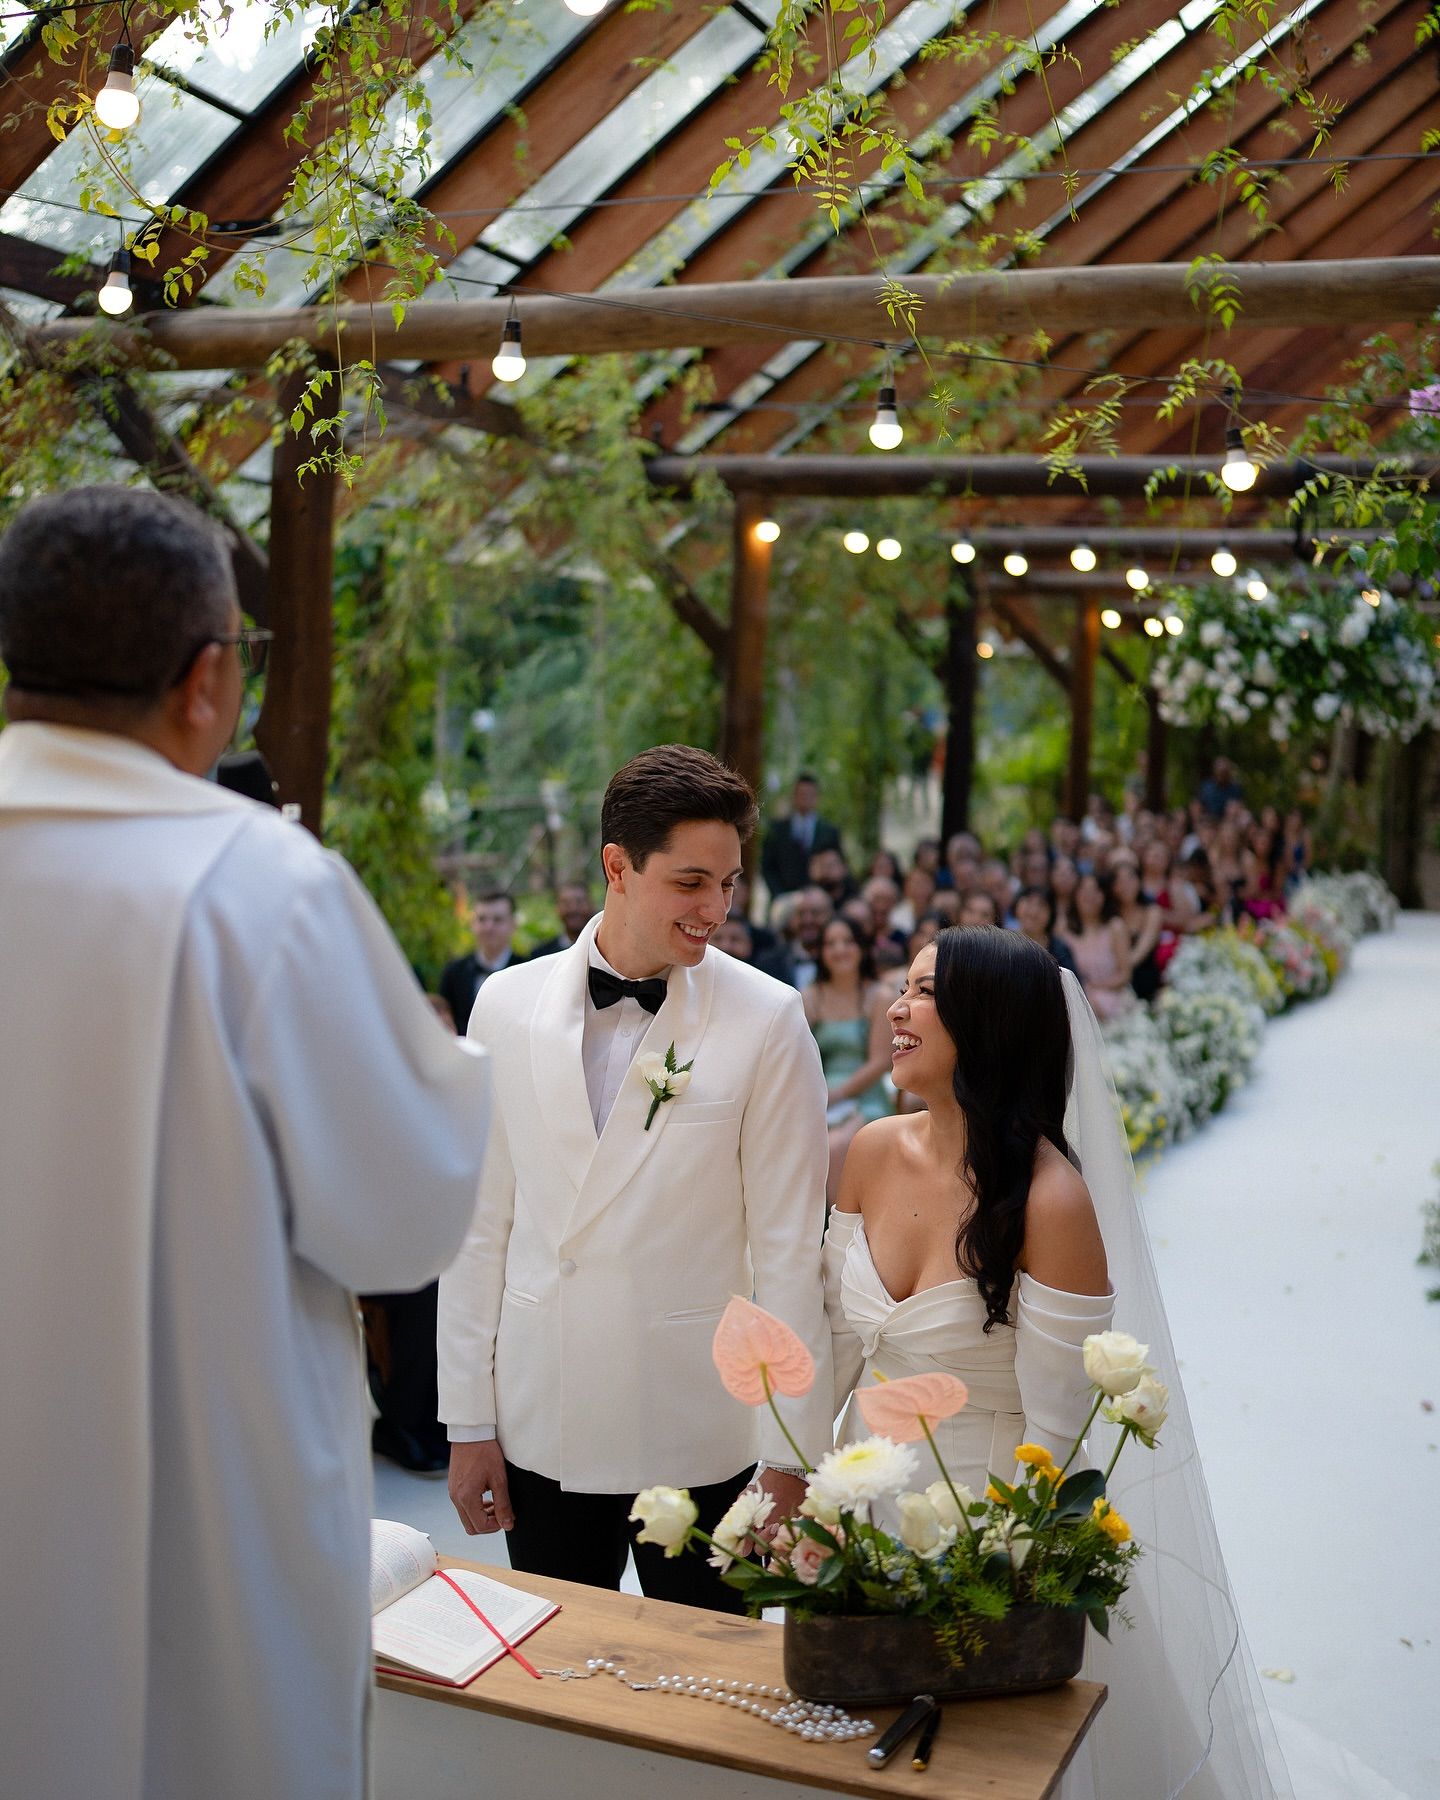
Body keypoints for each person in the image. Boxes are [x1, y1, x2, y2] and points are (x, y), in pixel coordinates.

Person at [0, 486, 491, 1800]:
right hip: (201, 1503)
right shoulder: (260, 889)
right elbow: (403, 1216)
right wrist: (463, 1064)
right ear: (209, 680)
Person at [823, 929, 1292, 1799]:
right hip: (862, 1502)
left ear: (989, 1022)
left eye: (924, 992)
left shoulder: (1051, 1198)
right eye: (901, 986)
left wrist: (1005, 1570)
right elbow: (841, 1348)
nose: (895, 1007)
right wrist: (803, 1495)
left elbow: (1058, 1427)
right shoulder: (869, 1152)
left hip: (992, 1528)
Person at [439, 744, 833, 1611]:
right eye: (692, 883)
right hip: (546, 1419)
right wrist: (467, 1422)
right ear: (618, 866)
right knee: (559, 1691)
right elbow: (478, 1226)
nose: (717, 910)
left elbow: (789, 1254)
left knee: (709, 1703)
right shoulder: (504, 1004)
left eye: (729, 883)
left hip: (701, 1432)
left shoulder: (767, 1019)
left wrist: (790, 1456)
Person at [803, 916, 894, 1204]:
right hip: (817, 1096)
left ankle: (835, 1233)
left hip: (865, 1097)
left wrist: (838, 1095)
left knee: (836, 1146)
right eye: (830, 943)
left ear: (862, 948)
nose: (839, 949)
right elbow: (799, 1057)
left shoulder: (879, 996)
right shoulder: (810, 997)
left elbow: (881, 1061)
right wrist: (818, 1097)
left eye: (847, 941)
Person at [439, 890, 527, 1032]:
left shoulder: (527, 971)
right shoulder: (454, 972)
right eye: (481, 919)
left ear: (513, 925)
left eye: (497, 920)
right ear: (473, 924)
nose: (488, 927)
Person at [1058, 871, 1135, 1021]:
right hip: (1077, 1003)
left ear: (1104, 896)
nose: (1089, 896)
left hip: (1115, 999)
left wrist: (1096, 988)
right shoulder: (1063, 929)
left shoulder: (1115, 927)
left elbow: (1125, 974)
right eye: (1084, 890)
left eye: (1095, 890)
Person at [760, 771, 842, 898]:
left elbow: (837, 866)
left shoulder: (829, 832)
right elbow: (767, 866)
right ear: (794, 796)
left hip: (819, 899)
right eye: (802, 794)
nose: (805, 798)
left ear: (817, 797)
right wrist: (779, 895)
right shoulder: (777, 829)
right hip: (783, 898)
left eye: (810, 794)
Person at [1110, 855, 1163, 1002]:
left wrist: (1121, 972)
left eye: (1130, 879)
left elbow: (1141, 950)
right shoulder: (1109, 916)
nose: (1126, 885)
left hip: (1145, 980)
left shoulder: (1152, 911)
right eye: (1119, 881)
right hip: (1115, 984)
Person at [1013, 883, 1078, 975]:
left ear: (1051, 914)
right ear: (1017, 905)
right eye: (1028, 902)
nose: (1033, 911)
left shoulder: (1060, 950)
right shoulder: (1002, 944)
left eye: (1042, 905)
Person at [529, 879, 595, 957]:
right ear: (557, 909)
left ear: (591, 906)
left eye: (579, 902)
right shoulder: (541, 955)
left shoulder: (603, 951)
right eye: (566, 903)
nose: (573, 908)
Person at [1199, 755, 1244, 820]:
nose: (1222, 775)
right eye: (1220, 771)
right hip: (1209, 819)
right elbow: (1199, 804)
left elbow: (1240, 806)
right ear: (1215, 771)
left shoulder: (1235, 788)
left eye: (1224, 772)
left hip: (1230, 821)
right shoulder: (1206, 787)